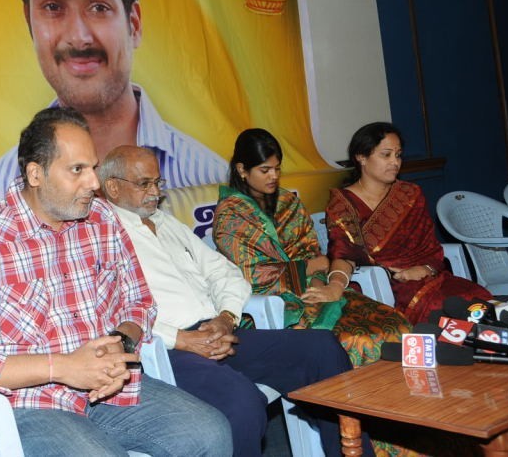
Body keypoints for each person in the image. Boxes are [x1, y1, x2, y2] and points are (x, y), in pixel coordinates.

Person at [0, 107, 232, 457]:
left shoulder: (101, 218)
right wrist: (65, 367)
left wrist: (121, 344)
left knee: (210, 434)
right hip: (19, 405)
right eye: (77, 170)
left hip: (105, 388)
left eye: (93, 167)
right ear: (35, 174)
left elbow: (140, 303)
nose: (94, 183)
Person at [100, 145, 364, 457]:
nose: (155, 192)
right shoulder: (101, 233)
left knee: (322, 349)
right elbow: (108, 312)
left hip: (216, 332)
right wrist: (181, 339)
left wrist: (226, 318)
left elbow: (224, 272)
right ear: (113, 186)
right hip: (166, 351)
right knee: (243, 403)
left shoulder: (165, 221)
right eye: (145, 184)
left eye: (158, 183)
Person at [0, 0, 226, 213]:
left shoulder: (210, 176)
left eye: (98, 7)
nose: (79, 37)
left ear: (134, 24)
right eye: (52, 7)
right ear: (29, 23)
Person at [213, 128, 411, 368]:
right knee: (350, 340)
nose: (273, 176)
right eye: (264, 170)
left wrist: (322, 285)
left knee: (394, 325)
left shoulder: (288, 202)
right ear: (242, 170)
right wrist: (310, 268)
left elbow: (313, 254)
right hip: (273, 305)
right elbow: (250, 274)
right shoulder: (230, 215)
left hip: (315, 290)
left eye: (277, 169)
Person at [324, 122, 493, 325]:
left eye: (398, 155)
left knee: (477, 297)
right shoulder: (343, 203)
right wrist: (335, 285)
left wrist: (426, 269)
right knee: (441, 307)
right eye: (386, 154)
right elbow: (344, 254)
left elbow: (430, 248)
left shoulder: (409, 194)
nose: (395, 162)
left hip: (424, 276)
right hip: (381, 282)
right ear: (361, 156)